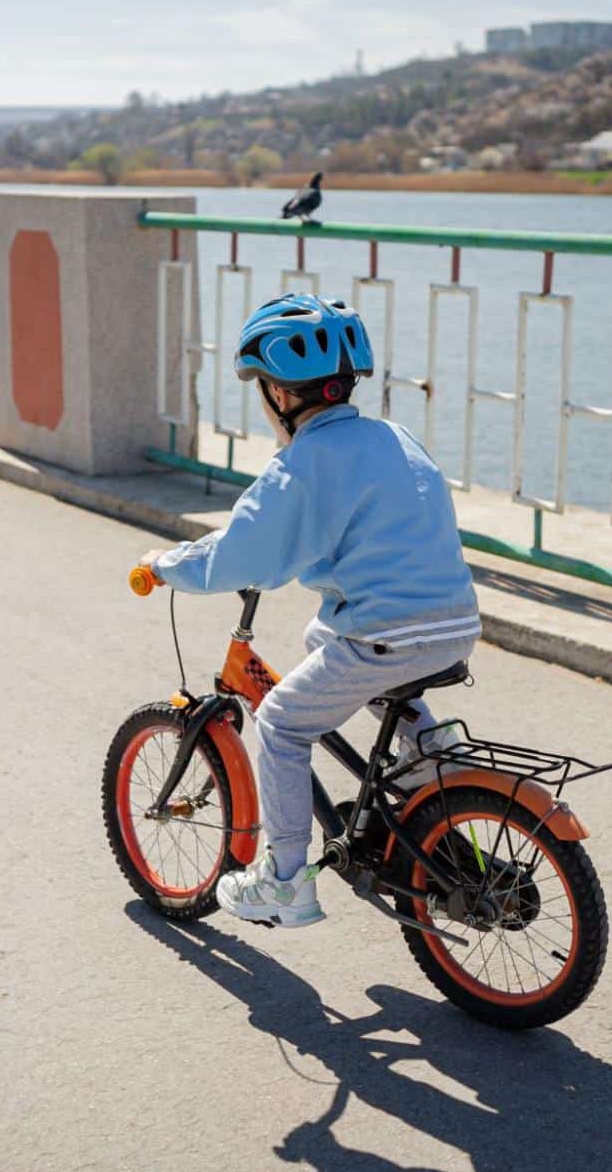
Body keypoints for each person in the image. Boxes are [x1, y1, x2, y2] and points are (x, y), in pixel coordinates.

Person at [137, 294, 479, 928]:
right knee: (321, 632)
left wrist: (167, 566)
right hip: (455, 624)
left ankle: (286, 882)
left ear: (277, 393)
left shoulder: (301, 465)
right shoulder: (394, 436)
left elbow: (240, 557)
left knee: (281, 725)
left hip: (384, 636)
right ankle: (431, 750)